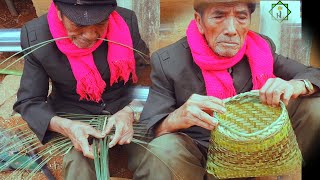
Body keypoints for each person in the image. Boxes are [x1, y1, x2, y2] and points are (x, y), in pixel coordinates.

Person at [137, 0, 320, 179]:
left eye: (241, 17)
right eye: (219, 16)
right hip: (205, 154)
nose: (231, 30)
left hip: (260, 149)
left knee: (315, 107)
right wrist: (177, 117)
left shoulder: (260, 48)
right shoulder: (169, 60)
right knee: (162, 150)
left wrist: (296, 85)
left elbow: (313, 74)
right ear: (199, 21)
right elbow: (149, 127)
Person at [13, 0, 149, 179]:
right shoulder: (36, 35)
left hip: (123, 110)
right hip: (76, 117)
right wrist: (66, 126)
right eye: (79, 25)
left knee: (158, 157)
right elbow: (29, 102)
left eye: (101, 23)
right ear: (60, 13)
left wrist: (131, 110)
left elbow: (148, 74)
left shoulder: (125, 21)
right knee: (79, 167)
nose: (91, 35)